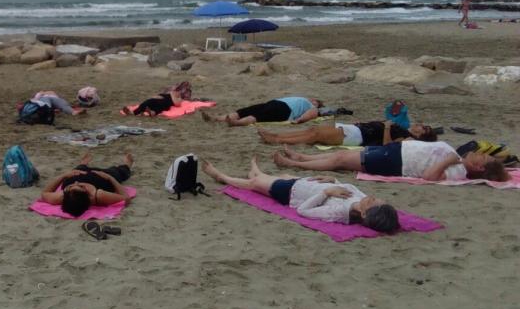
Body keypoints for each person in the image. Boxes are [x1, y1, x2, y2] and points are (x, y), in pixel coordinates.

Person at [201, 157, 399, 232]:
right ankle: (257, 171)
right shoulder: (360, 200)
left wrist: (326, 192)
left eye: (372, 201)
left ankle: (221, 176)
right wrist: (333, 181)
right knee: (275, 176)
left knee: (254, 183)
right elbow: (351, 188)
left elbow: (304, 211)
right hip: (303, 183)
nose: (371, 197)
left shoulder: (338, 212)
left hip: (292, 193)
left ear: (364, 213)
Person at [272, 141, 509, 182]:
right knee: (342, 156)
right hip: (399, 150)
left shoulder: (457, 171)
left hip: (397, 161)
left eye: (482, 156)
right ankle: (302, 157)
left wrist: (448, 160)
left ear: (479, 167)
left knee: (341, 159)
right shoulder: (458, 158)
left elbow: (429, 177)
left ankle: (294, 164)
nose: (478, 152)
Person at [39, 152, 134, 217]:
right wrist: (110, 178)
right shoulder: (99, 195)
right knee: (119, 172)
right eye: (81, 187)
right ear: (89, 196)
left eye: (71, 187)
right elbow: (126, 199)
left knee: (77, 170)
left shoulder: (62, 196)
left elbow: (45, 193)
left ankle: (83, 164)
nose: (77, 183)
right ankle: (127, 164)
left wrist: (63, 176)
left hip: (80, 172)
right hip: (103, 177)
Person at [259, 121, 437, 147]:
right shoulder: (405, 128)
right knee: (314, 130)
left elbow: (388, 146)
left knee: (315, 136)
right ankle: (277, 136)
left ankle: (277, 140)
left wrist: (388, 127)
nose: (421, 126)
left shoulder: (407, 139)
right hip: (357, 128)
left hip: (358, 137)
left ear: (421, 136)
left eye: (424, 129)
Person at [202, 97, 322, 126]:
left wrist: (299, 120)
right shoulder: (303, 99)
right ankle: (217, 118)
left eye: (316, 100)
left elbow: (311, 114)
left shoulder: (312, 106)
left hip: (285, 110)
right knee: (245, 110)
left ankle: (236, 123)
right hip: (274, 102)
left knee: (258, 116)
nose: (313, 100)